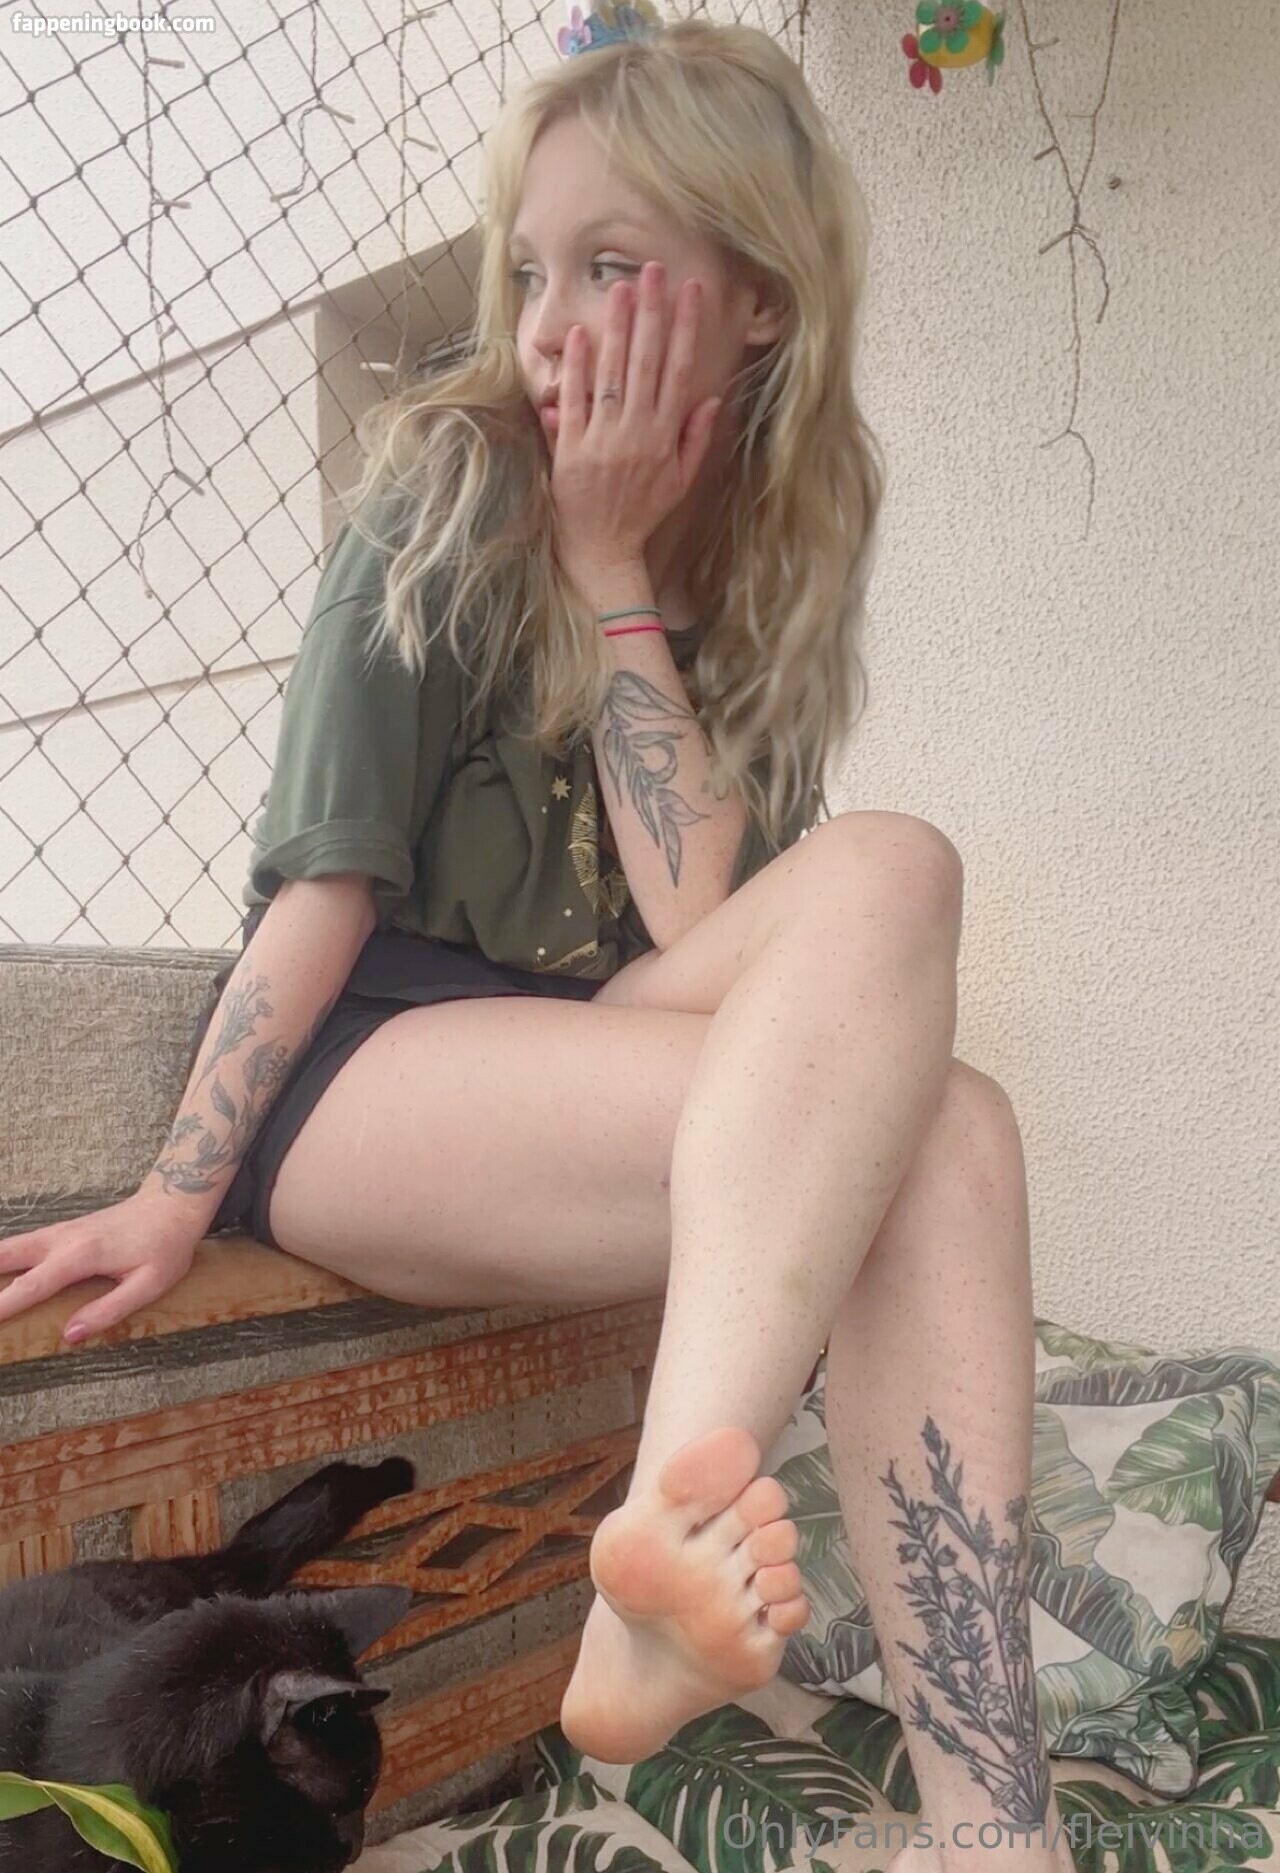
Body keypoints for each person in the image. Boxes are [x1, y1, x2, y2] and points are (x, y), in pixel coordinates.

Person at [0, 12, 1074, 1872]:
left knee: (916, 952)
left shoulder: (777, 546)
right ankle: (664, 1552)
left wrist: (615, 570)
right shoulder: (444, 480)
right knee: (933, 1054)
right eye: (530, 272)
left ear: (759, 298)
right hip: (378, 1073)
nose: (553, 326)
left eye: (612, 268)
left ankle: (997, 1829)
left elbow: (710, 929)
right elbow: (322, 886)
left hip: (603, 1059)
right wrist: (180, 1184)